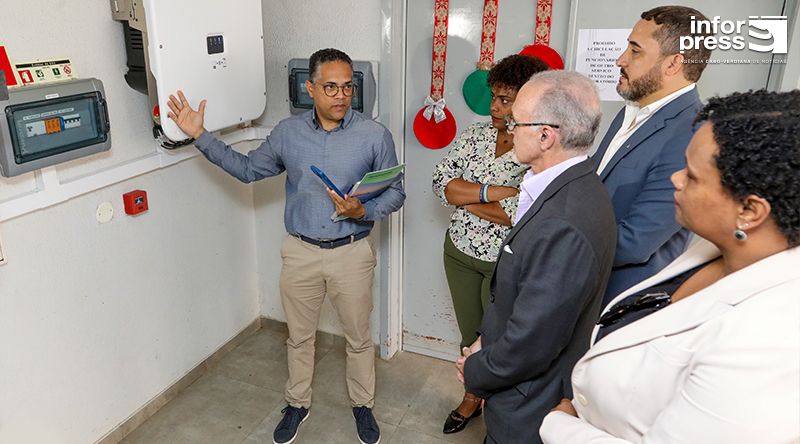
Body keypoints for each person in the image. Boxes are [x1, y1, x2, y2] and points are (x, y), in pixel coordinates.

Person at [166, 48, 405, 444]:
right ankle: (297, 403)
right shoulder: (287, 133)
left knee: (359, 338)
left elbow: (396, 192)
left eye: (348, 87)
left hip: (352, 252)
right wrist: (200, 136)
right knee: (299, 337)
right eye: (331, 87)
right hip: (300, 253)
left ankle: (363, 405)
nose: (341, 96)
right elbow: (247, 170)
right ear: (310, 88)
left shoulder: (374, 135)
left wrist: (363, 209)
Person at [541, 89, 800, 444]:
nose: (675, 179)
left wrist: (561, 426)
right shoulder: (717, 250)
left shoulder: (771, 341)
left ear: (749, 211)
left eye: (692, 176)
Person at [456, 70, 617, 444]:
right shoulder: (568, 183)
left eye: (516, 121)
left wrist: (476, 371)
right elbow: (521, 297)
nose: (508, 129)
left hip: (528, 406)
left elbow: (532, 342)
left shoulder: (565, 222)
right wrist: (484, 340)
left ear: (546, 136)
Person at [431, 54, 549, 435]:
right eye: (494, 97)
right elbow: (441, 184)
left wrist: (466, 197)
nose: (494, 107)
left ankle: (501, 412)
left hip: (506, 262)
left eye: (505, 99)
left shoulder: (540, 146)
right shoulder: (475, 135)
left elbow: (520, 212)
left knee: (498, 341)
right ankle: (472, 396)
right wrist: (493, 192)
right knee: (470, 336)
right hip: (459, 253)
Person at [593, 6, 713, 306]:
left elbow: (635, 242)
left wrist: (555, 248)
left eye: (635, 51)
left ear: (673, 63)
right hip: (585, 288)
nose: (620, 59)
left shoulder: (692, 133)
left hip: (617, 303)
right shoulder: (631, 111)